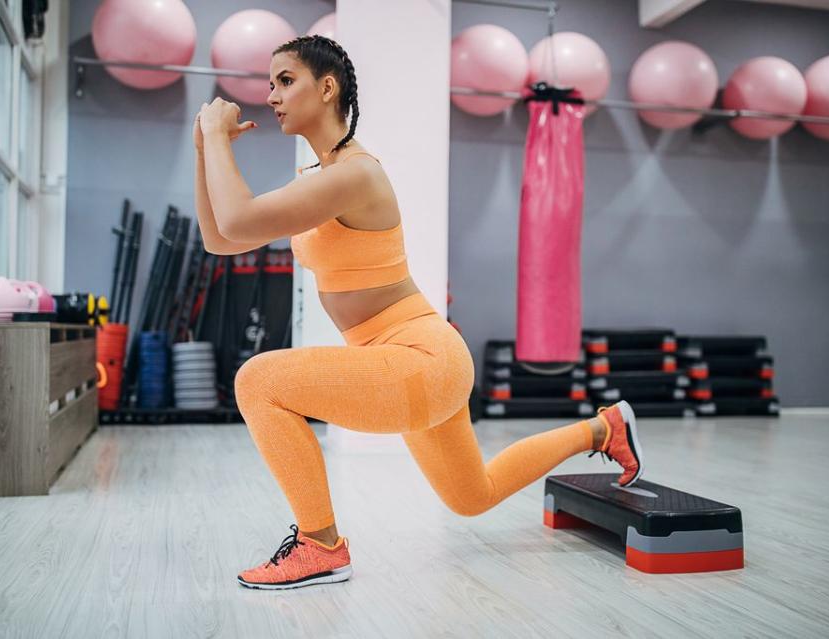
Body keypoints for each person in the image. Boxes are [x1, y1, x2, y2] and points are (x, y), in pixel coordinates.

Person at [193, 35, 644, 591]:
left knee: (257, 381)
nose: (273, 96)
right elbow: (221, 238)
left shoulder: (355, 174)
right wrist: (202, 148)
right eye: (271, 84)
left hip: (421, 358)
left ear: (326, 87)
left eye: (285, 81)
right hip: (412, 360)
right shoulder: (319, 179)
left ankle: (320, 546)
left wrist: (217, 136)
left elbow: (236, 220)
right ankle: (602, 428)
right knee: (471, 495)